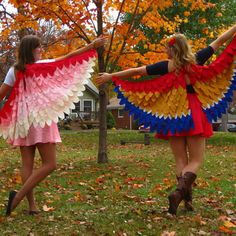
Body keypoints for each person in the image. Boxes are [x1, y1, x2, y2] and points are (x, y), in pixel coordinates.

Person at [95, 24, 236, 215]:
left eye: (166, 48)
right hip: (194, 114)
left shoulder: (165, 66)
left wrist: (111, 76)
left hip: (173, 116)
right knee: (195, 160)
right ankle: (179, 194)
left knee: (180, 160)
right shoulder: (197, 59)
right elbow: (220, 41)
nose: (165, 50)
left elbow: (137, 71)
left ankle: (186, 200)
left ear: (173, 49)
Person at [0, 34, 107, 216]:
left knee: (27, 164)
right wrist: (91, 46)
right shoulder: (42, 65)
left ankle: (32, 206)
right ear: (31, 49)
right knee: (50, 164)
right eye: (38, 47)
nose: (41, 50)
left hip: (22, 119)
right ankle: (17, 198)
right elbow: (68, 58)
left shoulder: (14, 70)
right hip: (40, 117)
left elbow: (2, 93)